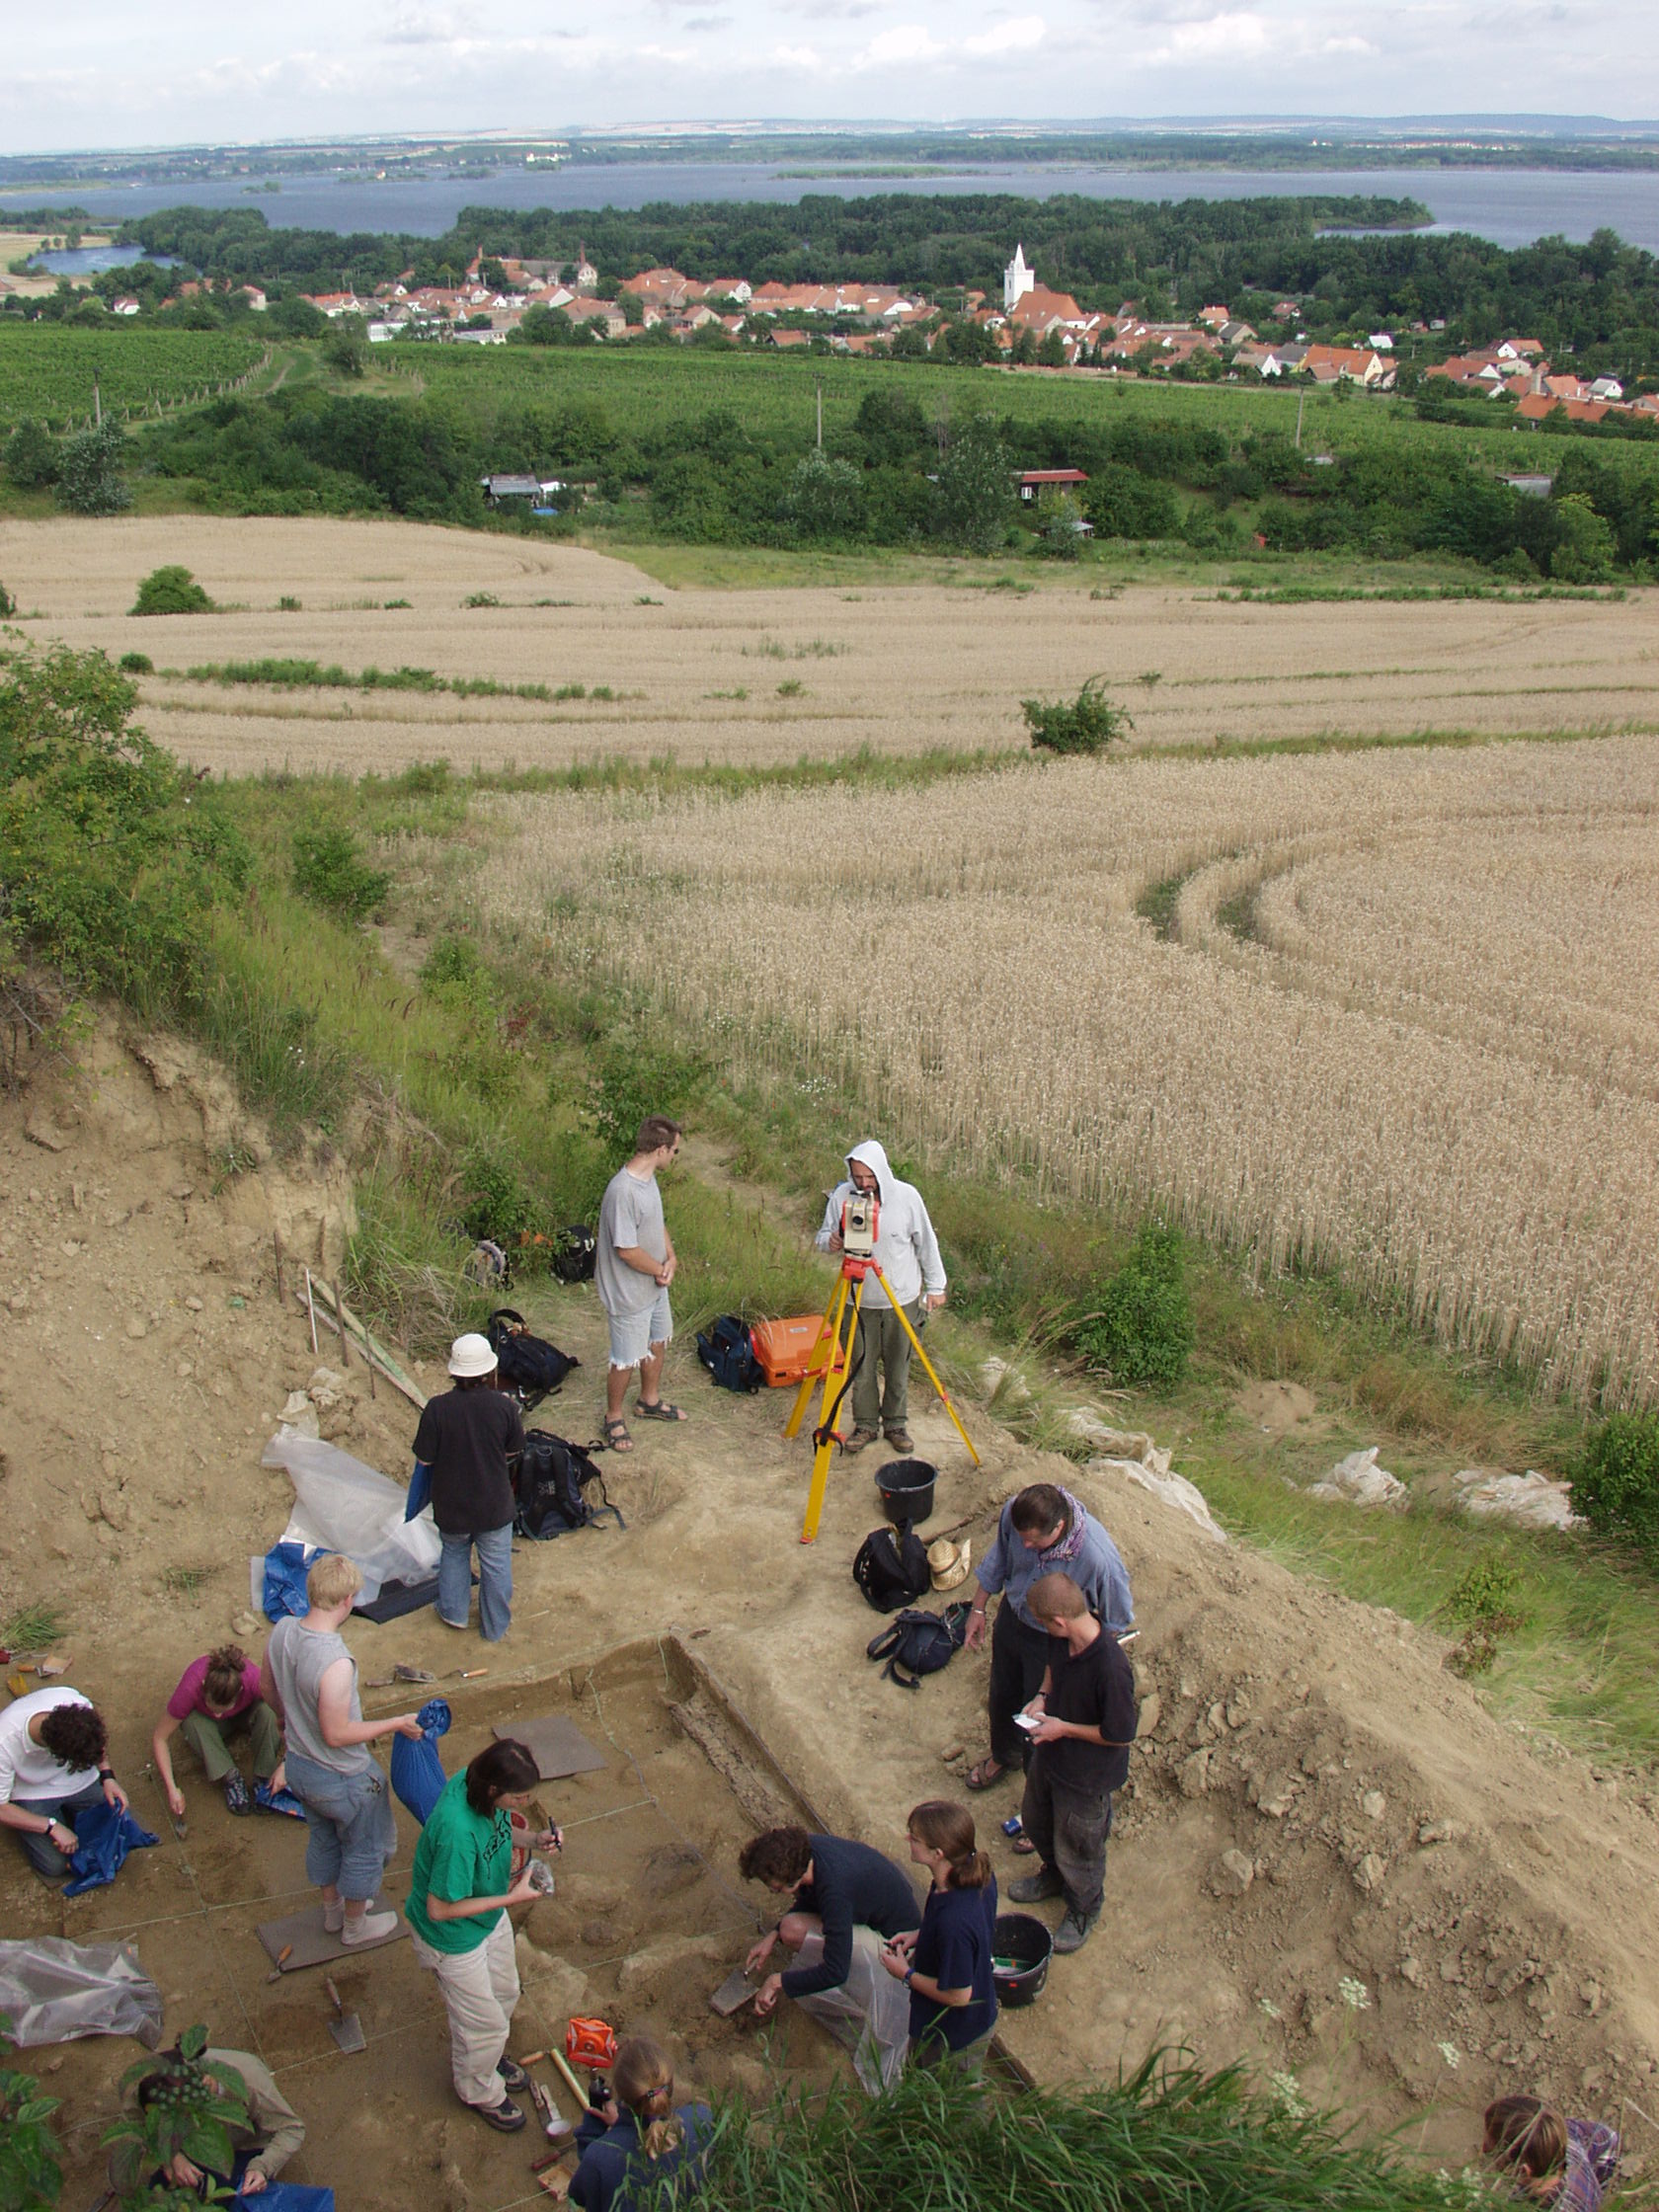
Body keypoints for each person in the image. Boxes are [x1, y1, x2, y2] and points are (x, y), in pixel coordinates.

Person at [260, 1553, 423, 1947]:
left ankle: (333, 1914)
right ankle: (354, 1926)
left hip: (301, 1767)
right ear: (348, 1599)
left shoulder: (282, 1631)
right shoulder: (335, 1662)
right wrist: (397, 1722)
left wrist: (287, 1723)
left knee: (323, 1838)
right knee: (366, 1848)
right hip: (342, 1776)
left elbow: (267, 1688)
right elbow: (336, 1733)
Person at [407, 1738, 559, 2133]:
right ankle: (478, 2090)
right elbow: (438, 1908)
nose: (525, 1803)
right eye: (520, 1796)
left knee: (506, 1992)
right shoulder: (457, 1831)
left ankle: (488, 2061)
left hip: (488, 1915)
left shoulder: (475, 1784)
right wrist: (510, 1897)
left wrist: (533, 1840)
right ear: (494, 1789)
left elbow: (501, 1828)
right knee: (485, 2024)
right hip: (453, 1938)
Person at [963, 1481, 1133, 1793]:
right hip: (1013, 1621)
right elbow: (998, 1560)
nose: (1025, 1546)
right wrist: (978, 1610)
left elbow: (1115, 1620)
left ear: (1059, 1527)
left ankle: (1037, 1792)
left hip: (1053, 1643)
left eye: (1033, 1542)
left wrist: (1079, 1664)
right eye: (1022, 1538)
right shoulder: (1015, 1514)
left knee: (1040, 1717)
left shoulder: (1098, 1559)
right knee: (1003, 1695)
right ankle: (1004, 1755)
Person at [1005, 1570, 1138, 1957]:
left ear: (1060, 1620)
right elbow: (1052, 1666)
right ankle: (1053, 1875)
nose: (1046, 1631)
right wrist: (1043, 1697)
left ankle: (1083, 1906)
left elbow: (1120, 1734)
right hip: (1051, 1755)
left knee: (1079, 1843)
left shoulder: (1111, 1668)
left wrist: (1063, 1728)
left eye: (1046, 1624)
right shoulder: (1063, 1639)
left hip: (1087, 1776)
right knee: (1037, 1818)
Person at [815, 1140, 946, 1455]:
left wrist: (935, 1286)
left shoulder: (906, 1197)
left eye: (869, 1177)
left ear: (881, 1172)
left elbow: (927, 1242)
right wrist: (830, 1241)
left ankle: (896, 1424)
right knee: (861, 1365)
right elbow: (821, 1238)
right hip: (857, 1299)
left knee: (898, 1364)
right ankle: (865, 1425)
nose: (863, 1183)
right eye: (857, 1177)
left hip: (900, 1298)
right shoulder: (842, 1197)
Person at [412, 1332, 525, 1642]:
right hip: (494, 1504)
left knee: (453, 1554)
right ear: (490, 1372)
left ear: (454, 1372)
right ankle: (495, 1626)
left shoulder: (436, 1409)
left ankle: (454, 1613)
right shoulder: (504, 1408)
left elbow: (424, 1458)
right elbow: (514, 1450)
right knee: (496, 1563)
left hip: (451, 1505)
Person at [741, 1824, 918, 2019]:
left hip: (899, 1947)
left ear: (793, 1880)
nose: (771, 1890)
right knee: (785, 1928)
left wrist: (776, 1981)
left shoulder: (836, 1891)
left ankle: (860, 1992)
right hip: (878, 1915)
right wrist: (773, 1936)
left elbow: (836, 1971)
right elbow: (810, 1898)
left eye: (775, 1888)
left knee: (793, 1930)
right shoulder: (806, 1851)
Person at [879, 1801, 998, 2076]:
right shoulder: (970, 1878)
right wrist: (921, 1935)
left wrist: (905, 1973)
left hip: (954, 2037)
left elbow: (958, 1995)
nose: (908, 1839)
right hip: (952, 2021)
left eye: (915, 1838)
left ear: (938, 1853)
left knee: (954, 2103)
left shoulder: (954, 1922)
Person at [595, 1116, 685, 1454]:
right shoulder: (623, 1191)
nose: (674, 1157)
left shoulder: (649, 1181)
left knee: (658, 1340)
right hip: (628, 1291)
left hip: (654, 1286)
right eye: (674, 1151)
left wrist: (671, 1257)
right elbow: (626, 1250)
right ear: (660, 1149)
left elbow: (657, 1224)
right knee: (625, 1358)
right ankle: (613, 1416)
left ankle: (648, 1400)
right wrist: (659, 1269)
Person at [553, 2035, 713, 2212]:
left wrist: (596, 2132)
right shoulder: (703, 2118)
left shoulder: (599, 2159)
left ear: (620, 2095)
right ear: (669, 2086)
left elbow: (580, 2195)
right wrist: (624, 2126)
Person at [123, 2042, 307, 2196]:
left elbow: (292, 2129)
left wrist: (261, 2167)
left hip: (244, 2143)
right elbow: (137, 2125)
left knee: (228, 2193)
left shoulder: (249, 2082)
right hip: (190, 2144)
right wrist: (171, 2157)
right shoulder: (147, 2084)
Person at [0, 1686, 127, 1882]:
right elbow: (1, 1808)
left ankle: (70, 1815)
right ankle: (56, 1819)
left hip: (78, 1780)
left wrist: (107, 1775)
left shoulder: (76, 1705)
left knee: (117, 1820)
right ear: (55, 1754)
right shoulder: (4, 1740)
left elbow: (97, 1743)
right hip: (32, 1792)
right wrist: (51, 1827)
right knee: (55, 1865)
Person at [153, 1643, 286, 1819]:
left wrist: (286, 1767)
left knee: (269, 1711)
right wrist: (172, 1788)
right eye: (213, 1708)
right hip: (211, 1727)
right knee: (191, 1721)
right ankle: (230, 1776)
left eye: (223, 1709)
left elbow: (294, 1719)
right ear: (203, 1686)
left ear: (240, 1690)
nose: (217, 1714)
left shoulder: (254, 1680)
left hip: (246, 1715)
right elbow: (160, 1738)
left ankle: (264, 1776)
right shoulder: (189, 1688)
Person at [1483, 2095, 1620, 2211]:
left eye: (1490, 2149)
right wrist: (1600, 2181)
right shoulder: (1558, 2137)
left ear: (1522, 2171)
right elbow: (1610, 2137)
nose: (1483, 2148)